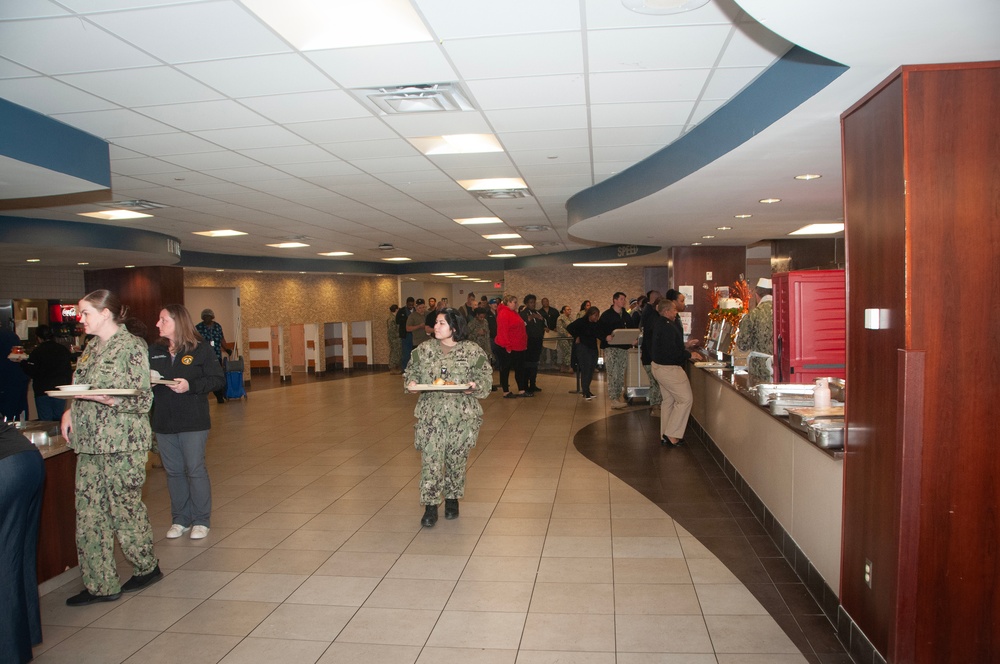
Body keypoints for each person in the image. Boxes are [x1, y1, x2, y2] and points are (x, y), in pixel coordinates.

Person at [59, 289, 161, 606]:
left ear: (105, 314)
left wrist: (108, 398)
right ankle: (100, 584)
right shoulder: (91, 347)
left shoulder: (131, 346)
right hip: (89, 443)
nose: (81, 318)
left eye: (85, 312)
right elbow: (82, 387)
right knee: (89, 515)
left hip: (121, 444)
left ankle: (146, 566)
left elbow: (143, 399)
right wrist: (69, 408)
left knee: (124, 511)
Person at [404, 308, 492, 527]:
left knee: (456, 459)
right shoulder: (423, 350)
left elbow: (485, 379)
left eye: (441, 323)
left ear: (454, 327)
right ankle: (431, 506)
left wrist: (474, 387)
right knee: (431, 461)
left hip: (462, 417)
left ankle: (452, 499)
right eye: (435, 323)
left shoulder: (472, 351)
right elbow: (410, 373)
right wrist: (412, 384)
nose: (436, 327)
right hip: (430, 415)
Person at [150, 305, 225, 541]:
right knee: (173, 472)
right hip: (163, 419)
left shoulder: (200, 349)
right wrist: (149, 382)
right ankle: (180, 518)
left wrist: (190, 386)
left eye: (163, 320)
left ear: (178, 322)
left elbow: (217, 380)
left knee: (194, 469)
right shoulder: (154, 350)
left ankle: (201, 520)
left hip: (193, 419)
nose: (158, 324)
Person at [0, 422, 45, 664]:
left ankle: (8, 653)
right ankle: (23, 639)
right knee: (18, 558)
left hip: (5, 468)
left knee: (5, 562)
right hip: (26, 460)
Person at [650, 298, 704, 446]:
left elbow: (668, 346)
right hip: (669, 369)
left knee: (669, 401)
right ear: (666, 311)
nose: (676, 312)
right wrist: (689, 354)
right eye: (674, 310)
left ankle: (665, 434)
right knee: (685, 399)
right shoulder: (667, 326)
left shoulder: (660, 324)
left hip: (658, 367)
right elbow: (672, 352)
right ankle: (672, 434)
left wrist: (684, 347)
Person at [19, 324, 73, 421]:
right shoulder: (62, 349)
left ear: (39, 338)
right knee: (59, 419)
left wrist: (22, 363)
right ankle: (59, 435)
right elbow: (68, 368)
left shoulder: (37, 351)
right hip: (60, 389)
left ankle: (48, 436)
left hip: (42, 390)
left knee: (45, 421)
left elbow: (32, 371)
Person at [598, 292, 635, 409]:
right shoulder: (606, 315)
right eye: (621, 299)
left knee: (620, 373)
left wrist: (633, 339)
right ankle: (613, 398)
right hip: (611, 348)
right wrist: (605, 337)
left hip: (623, 348)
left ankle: (618, 396)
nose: (623, 301)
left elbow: (631, 329)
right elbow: (598, 330)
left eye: (624, 299)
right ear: (615, 300)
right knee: (612, 373)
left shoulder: (626, 315)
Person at [736, 278, 774, 382]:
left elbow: (742, 345)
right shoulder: (783, 312)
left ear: (757, 295)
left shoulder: (752, 315)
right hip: (780, 366)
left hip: (758, 367)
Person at [494, 294, 531, 398]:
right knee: (505, 369)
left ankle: (521, 390)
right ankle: (506, 391)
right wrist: (507, 346)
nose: (516, 304)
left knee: (520, 369)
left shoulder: (513, 312)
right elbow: (503, 331)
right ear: (508, 302)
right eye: (514, 302)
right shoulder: (504, 313)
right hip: (508, 347)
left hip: (519, 346)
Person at [195, 309, 231, 404]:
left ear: (212, 317)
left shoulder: (217, 327)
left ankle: (219, 396)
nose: (207, 318)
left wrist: (227, 349)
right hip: (202, 357)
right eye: (205, 317)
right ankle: (202, 396)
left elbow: (222, 339)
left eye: (209, 317)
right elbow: (194, 341)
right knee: (203, 377)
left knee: (217, 376)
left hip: (216, 356)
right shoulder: (198, 328)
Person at [567, 306, 602, 400]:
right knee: (585, 369)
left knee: (591, 369)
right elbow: (569, 327)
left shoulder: (596, 324)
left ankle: (587, 389)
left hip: (593, 348)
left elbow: (599, 333)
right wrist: (577, 336)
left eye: (597, 316)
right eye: (595, 316)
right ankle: (585, 391)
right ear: (590, 315)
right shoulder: (581, 321)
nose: (596, 318)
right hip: (583, 348)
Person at [640, 290, 663, 417]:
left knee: (655, 383)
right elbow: (651, 340)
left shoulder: (649, 315)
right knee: (655, 383)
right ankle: (655, 408)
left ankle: (656, 406)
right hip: (651, 358)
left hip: (649, 357)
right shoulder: (653, 318)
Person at [0, 330, 29, 421]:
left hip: (5, 380)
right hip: (18, 378)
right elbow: (19, 356)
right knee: (19, 411)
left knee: (8, 413)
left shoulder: (5, 337)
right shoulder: (11, 336)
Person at [520, 294, 546, 393]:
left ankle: (533, 384)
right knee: (527, 363)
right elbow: (521, 325)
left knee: (535, 363)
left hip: (537, 341)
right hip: (528, 341)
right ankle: (525, 385)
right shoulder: (523, 313)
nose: (533, 304)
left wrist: (541, 319)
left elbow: (543, 324)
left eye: (534, 302)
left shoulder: (538, 313)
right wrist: (529, 318)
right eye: (531, 302)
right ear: (526, 303)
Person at [397, 297, 416, 371]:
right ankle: (404, 368)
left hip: (415, 334)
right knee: (406, 352)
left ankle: (414, 368)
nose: (411, 306)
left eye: (412, 304)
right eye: (409, 304)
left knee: (415, 352)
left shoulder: (416, 311)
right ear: (406, 303)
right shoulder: (402, 311)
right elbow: (397, 321)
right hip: (406, 334)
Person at [555, 305, 574, 372]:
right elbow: (560, 329)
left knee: (568, 352)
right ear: (564, 311)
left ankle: (563, 367)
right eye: (568, 309)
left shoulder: (570, 318)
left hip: (570, 338)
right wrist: (567, 334)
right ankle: (568, 366)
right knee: (568, 351)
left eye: (570, 309)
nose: (569, 311)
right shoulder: (561, 318)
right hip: (563, 338)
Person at [387, 304, 402, 374]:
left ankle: (396, 366)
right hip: (394, 339)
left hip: (396, 338)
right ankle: (392, 367)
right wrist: (399, 335)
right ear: (396, 310)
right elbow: (392, 331)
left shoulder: (395, 318)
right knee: (394, 353)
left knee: (398, 352)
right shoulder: (392, 319)